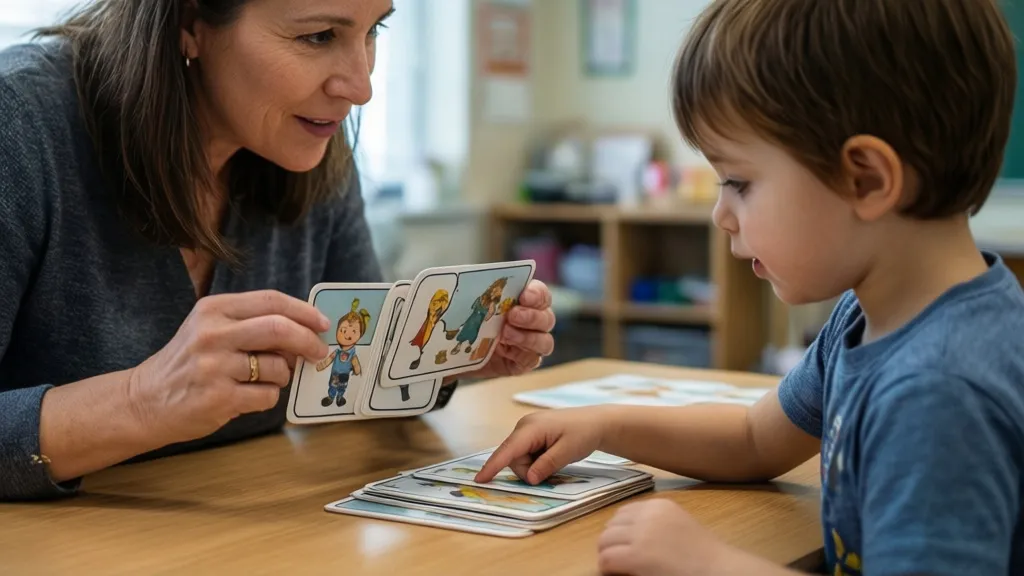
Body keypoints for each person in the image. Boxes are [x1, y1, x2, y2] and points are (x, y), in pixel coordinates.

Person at [477, 1, 1024, 574]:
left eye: (739, 181)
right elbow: (753, 438)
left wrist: (706, 564)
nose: (721, 214)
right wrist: (606, 424)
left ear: (866, 178)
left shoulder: (936, 390)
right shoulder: (872, 318)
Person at [0, 0, 557, 503]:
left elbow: (351, 371)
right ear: (189, 23)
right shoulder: (19, 124)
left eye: (374, 30)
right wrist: (142, 400)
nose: (361, 86)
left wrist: (445, 356)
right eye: (318, 36)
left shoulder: (313, 143)